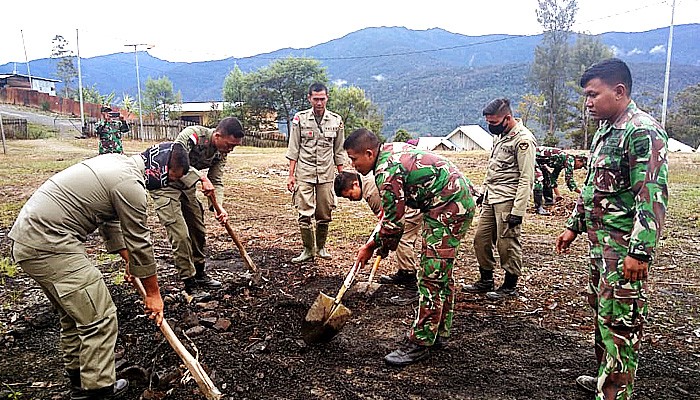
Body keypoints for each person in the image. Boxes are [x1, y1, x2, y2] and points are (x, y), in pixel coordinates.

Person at [8, 142, 189, 399]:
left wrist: (130, 263)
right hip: (50, 243)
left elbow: (112, 223)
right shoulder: (131, 186)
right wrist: (153, 294)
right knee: (100, 316)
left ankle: (80, 379)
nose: (166, 184)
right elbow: (140, 240)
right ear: (162, 166)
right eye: (171, 177)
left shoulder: (119, 165)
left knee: (76, 315)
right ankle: (98, 390)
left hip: (30, 241)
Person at [555, 58, 668, 399]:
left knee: (620, 323)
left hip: (622, 252)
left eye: (593, 95)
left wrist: (640, 251)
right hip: (600, 249)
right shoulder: (606, 129)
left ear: (619, 92)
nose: (587, 102)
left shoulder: (641, 132)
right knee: (603, 315)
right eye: (586, 96)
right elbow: (593, 187)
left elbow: (650, 197)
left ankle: (616, 391)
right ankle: (606, 378)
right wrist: (573, 226)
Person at [344, 128, 475, 366]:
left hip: (449, 205)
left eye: (354, 159)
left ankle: (421, 342)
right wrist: (380, 245)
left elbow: (394, 225)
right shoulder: (389, 151)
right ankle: (439, 332)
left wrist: (373, 247)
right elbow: (393, 223)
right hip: (451, 200)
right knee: (440, 271)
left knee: (431, 274)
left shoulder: (385, 172)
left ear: (369, 153)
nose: (353, 165)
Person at [150, 117, 244, 300]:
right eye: (230, 144)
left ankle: (200, 274)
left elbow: (216, 181)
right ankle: (189, 283)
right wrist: (200, 177)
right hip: (165, 184)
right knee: (181, 235)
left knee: (198, 230)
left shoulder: (220, 152)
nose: (231, 149)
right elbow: (177, 157)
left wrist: (220, 208)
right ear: (217, 135)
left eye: (235, 146)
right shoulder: (192, 135)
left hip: (186, 187)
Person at [462, 98, 536, 301]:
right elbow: (493, 168)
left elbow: (526, 178)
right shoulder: (500, 136)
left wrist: (518, 211)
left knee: (507, 244)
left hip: (508, 199)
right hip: (491, 196)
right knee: (481, 240)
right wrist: (483, 192)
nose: (490, 126)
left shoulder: (523, 140)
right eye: (488, 122)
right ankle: (486, 279)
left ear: (508, 118)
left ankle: (510, 285)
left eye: (494, 123)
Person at [286, 82, 346, 263]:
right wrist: (291, 175)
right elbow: (294, 148)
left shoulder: (336, 120)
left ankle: (321, 247)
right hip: (305, 172)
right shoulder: (300, 119)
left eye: (322, 99)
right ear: (309, 98)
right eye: (316, 99)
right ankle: (308, 249)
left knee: (324, 211)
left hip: (326, 174)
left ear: (327, 98)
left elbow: (339, 150)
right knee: (304, 212)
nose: (319, 103)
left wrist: (341, 175)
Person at [334, 170, 421, 292]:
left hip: (411, 206)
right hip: (402, 205)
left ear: (355, 184)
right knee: (396, 234)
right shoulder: (366, 181)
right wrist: (383, 244)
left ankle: (410, 282)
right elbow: (385, 221)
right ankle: (403, 273)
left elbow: (391, 223)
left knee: (403, 237)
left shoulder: (371, 193)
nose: (351, 200)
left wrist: (373, 246)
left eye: (349, 195)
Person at [533, 146, 587, 215]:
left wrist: (558, 195)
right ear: (578, 160)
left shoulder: (562, 160)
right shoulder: (570, 160)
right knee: (539, 177)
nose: (579, 168)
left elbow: (553, 178)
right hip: (531, 156)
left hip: (539, 161)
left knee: (547, 177)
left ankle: (548, 201)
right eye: (581, 166)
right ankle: (538, 208)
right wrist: (581, 193)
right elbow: (569, 181)